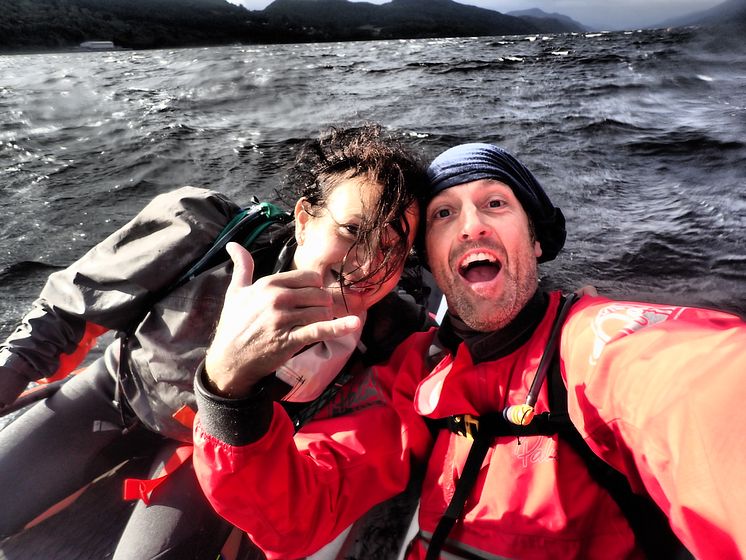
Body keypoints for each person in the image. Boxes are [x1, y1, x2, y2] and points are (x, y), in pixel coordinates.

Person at [193, 142, 746, 560]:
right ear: (430, 260)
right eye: (444, 214)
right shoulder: (412, 371)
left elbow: (702, 387)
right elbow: (295, 512)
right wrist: (227, 388)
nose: (471, 226)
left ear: (534, 240)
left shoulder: (601, 346)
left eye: (496, 203)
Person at [0, 124, 431, 559]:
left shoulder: (389, 335)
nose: (366, 265)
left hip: (209, 454)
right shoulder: (204, 232)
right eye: (352, 231)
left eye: (391, 250)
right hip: (115, 394)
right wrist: (11, 372)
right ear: (304, 220)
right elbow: (72, 304)